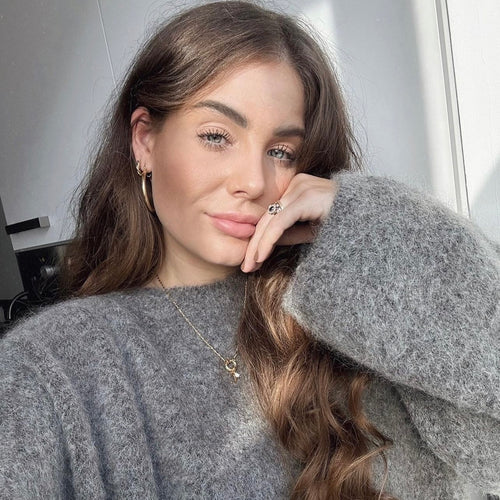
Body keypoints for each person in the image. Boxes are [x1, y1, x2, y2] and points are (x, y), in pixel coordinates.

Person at [0, 1, 499, 499]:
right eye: (217, 137)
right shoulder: (48, 369)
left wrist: (371, 224)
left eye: (281, 151)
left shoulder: (356, 314)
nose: (254, 182)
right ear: (145, 141)